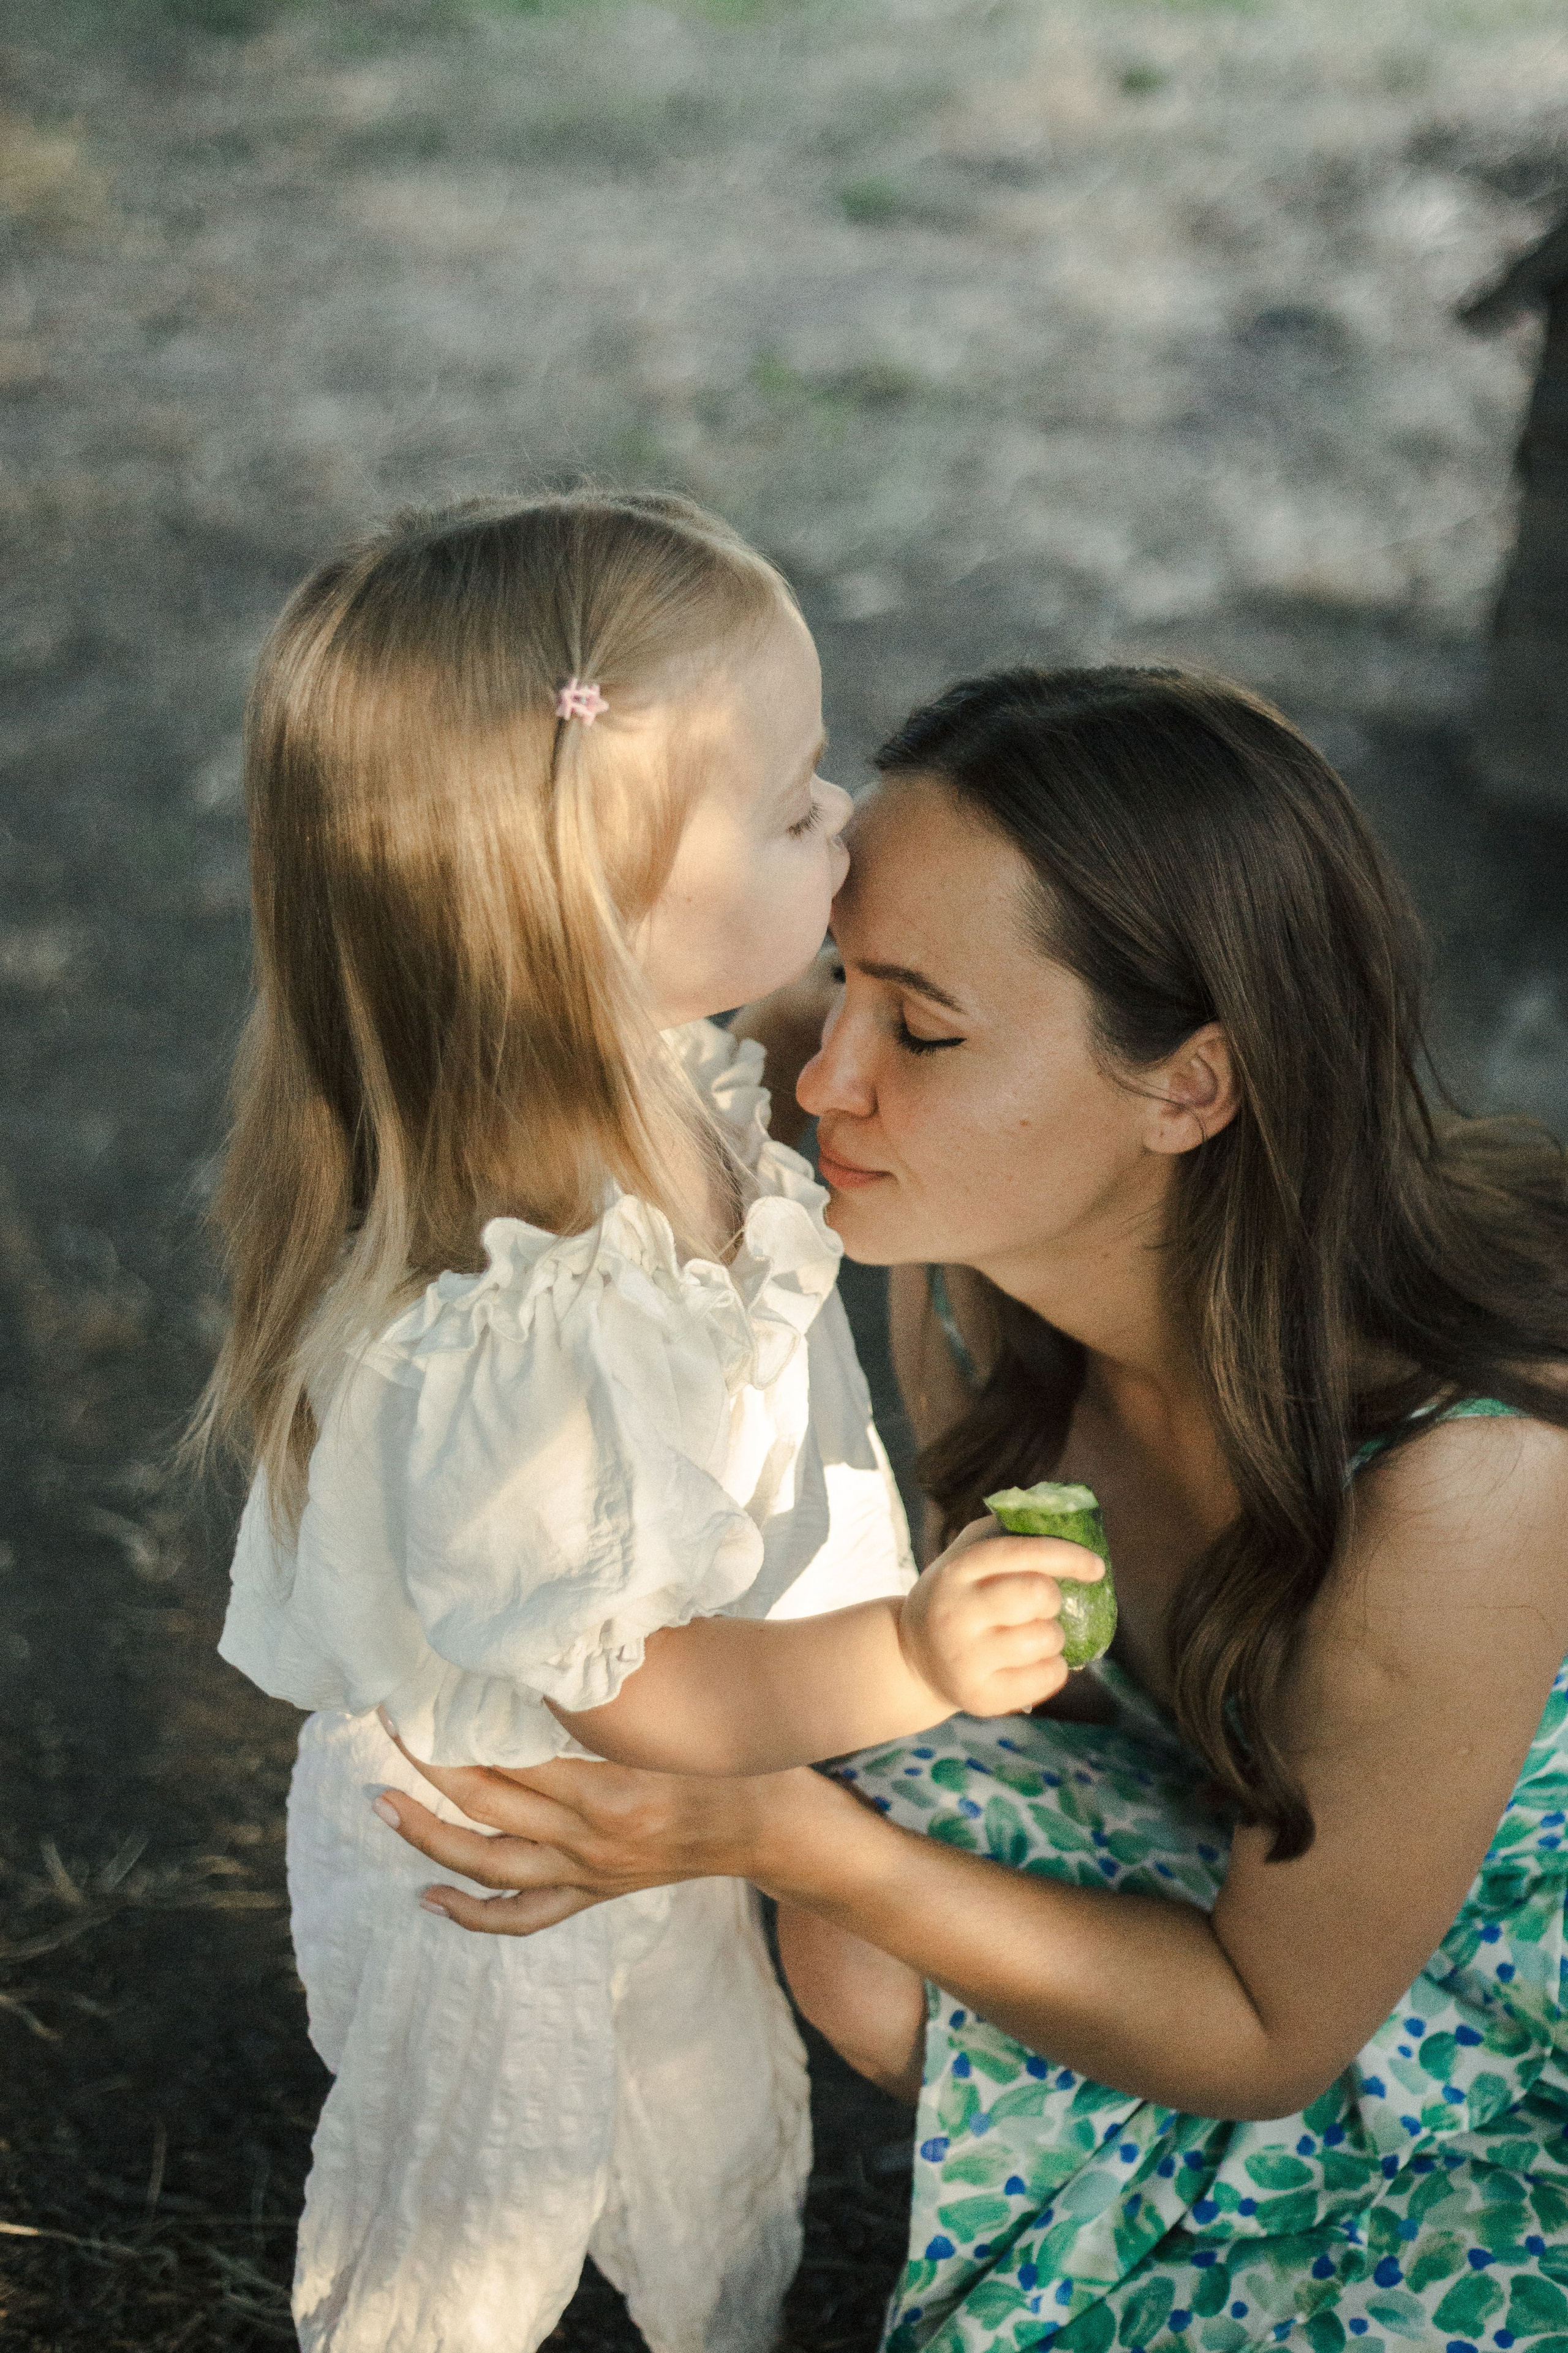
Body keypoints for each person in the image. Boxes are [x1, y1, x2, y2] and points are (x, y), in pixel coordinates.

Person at [374, 667, 1568, 2353]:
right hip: (1248, 1828)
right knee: (861, 1939)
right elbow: (610, 943)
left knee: (854, 1887)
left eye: (921, 1029)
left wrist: (787, 1827)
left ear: (1191, 1085)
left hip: (1493, 1982)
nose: (825, 1079)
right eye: (843, 986)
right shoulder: (977, 1255)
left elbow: (1268, 2028)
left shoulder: (1474, 1479)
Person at [201, 503, 1106, 2353]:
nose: (843, 812)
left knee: (705, 2134)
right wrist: (917, 1653)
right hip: (505, 1845)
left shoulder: (662, 1051)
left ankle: (722, 2318)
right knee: (464, 2217)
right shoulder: (524, 1319)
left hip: (658, 1821)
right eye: (789, 806)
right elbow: (639, 1693)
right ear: (584, 911)